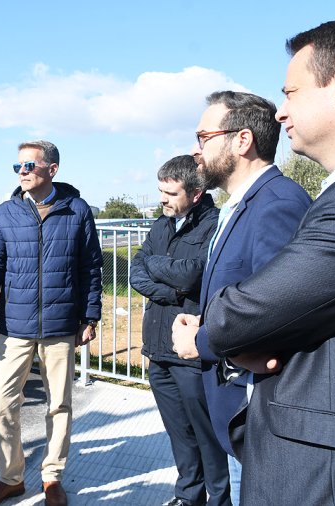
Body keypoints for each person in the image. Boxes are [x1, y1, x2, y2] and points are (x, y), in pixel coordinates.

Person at [198, 16, 335, 504]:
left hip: (332, 471)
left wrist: (219, 332)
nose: (281, 113)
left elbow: (257, 308)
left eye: (291, 93)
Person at [170, 91, 311, 504]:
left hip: (256, 409)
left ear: (242, 140)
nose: (196, 151)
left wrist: (202, 339)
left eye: (203, 137)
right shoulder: (241, 204)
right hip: (234, 404)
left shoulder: (277, 203)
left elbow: (279, 314)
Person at [0, 140, 102, 506]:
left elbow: (91, 267)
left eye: (29, 166)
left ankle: (52, 477)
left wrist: (90, 316)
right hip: (13, 325)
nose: (22, 172)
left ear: (52, 169)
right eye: (18, 167)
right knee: (1, 402)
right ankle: (11, 477)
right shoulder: (4, 215)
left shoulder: (77, 211)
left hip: (61, 325)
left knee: (58, 404)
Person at [129, 155, 229, 506]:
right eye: (160, 191)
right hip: (158, 347)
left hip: (190, 351)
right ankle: (189, 496)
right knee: (178, 433)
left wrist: (161, 270)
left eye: (170, 193)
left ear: (196, 193)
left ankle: (219, 499)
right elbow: (135, 271)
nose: (163, 199)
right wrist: (170, 290)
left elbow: (193, 274)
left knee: (205, 433)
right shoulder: (160, 225)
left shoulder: (215, 225)